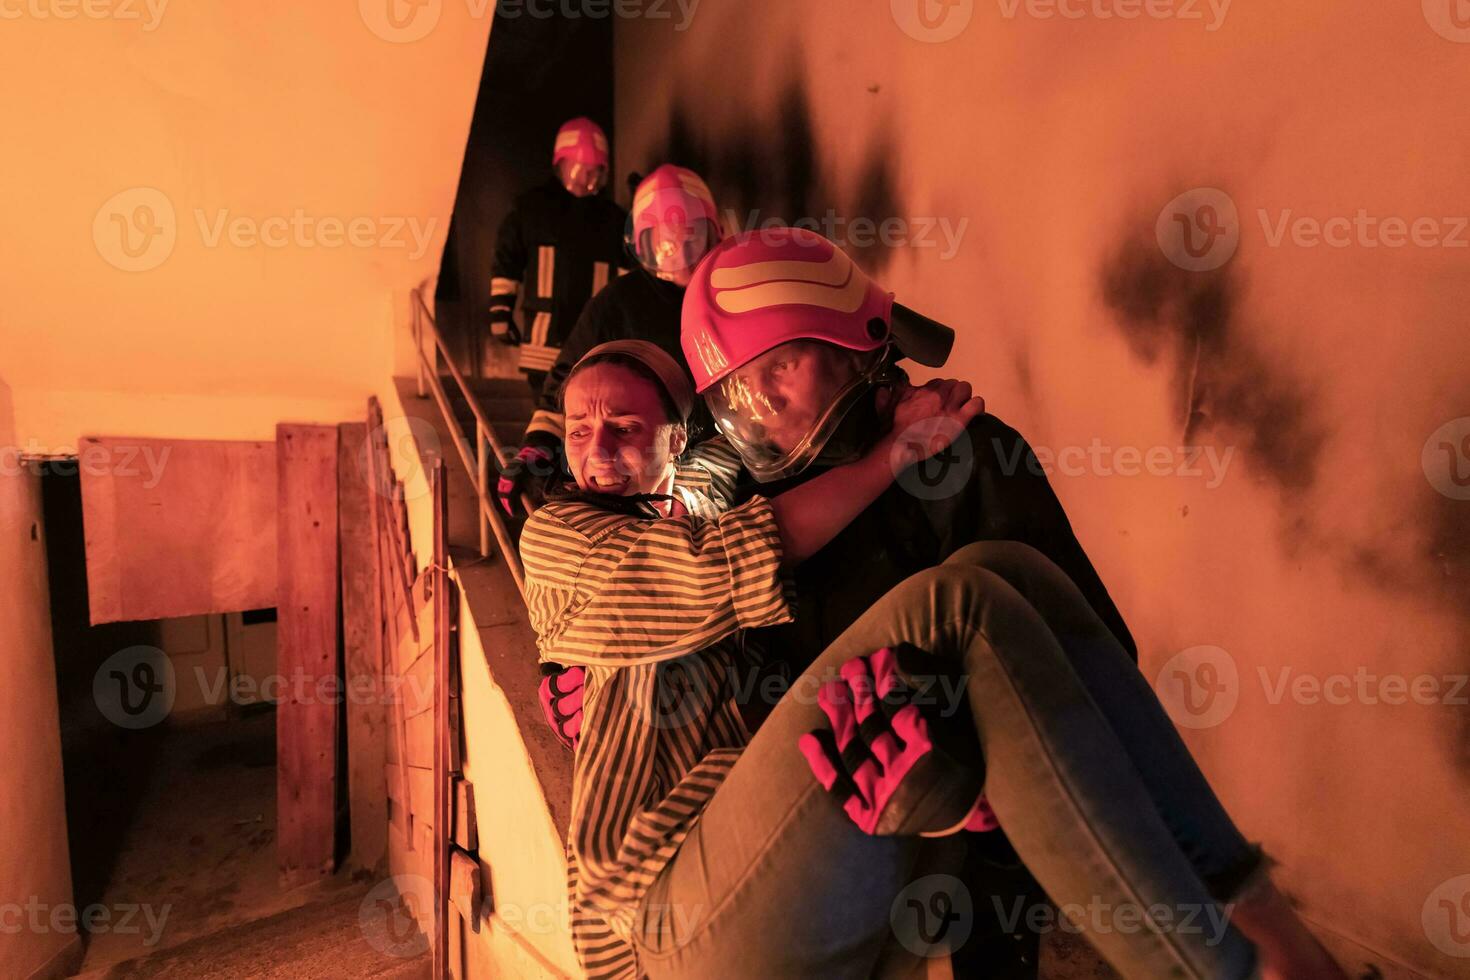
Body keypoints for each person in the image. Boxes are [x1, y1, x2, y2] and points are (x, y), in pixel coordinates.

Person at [522, 238, 1347, 978]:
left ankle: (1263, 925)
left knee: (994, 577)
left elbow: (1078, 665)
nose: (762, 401)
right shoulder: (651, 526)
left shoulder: (956, 456)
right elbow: (687, 577)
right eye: (738, 386)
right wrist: (565, 664)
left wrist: (973, 770)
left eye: (780, 363)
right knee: (957, 602)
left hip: (920, 810)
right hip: (684, 895)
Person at [497, 165, 723, 519]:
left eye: (689, 235)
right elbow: (567, 376)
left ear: (714, 232)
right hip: (646, 475)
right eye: (662, 240)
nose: (676, 250)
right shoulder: (619, 301)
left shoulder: (736, 289)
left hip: (728, 460)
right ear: (640, 244)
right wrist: (540, 444)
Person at [487, 116, 629, 392]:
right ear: (560, 165)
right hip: (544, 344)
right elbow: (507, 262)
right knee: (548, 413)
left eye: (593, 172)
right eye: (578, 169)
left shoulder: (614, 222)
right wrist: (500, 312)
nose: (585, 179)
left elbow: (626, 283)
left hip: (594, 345)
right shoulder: (531, 210)